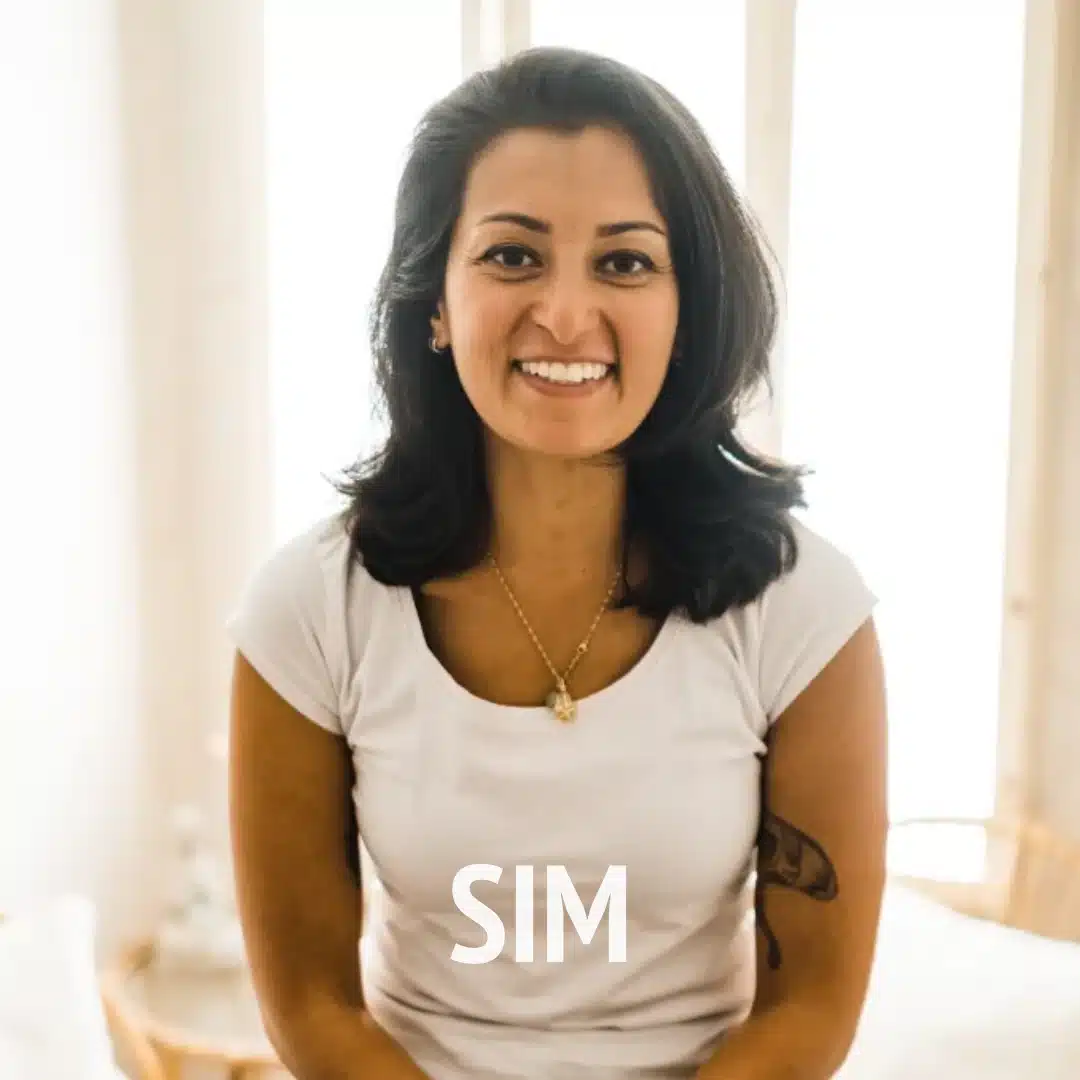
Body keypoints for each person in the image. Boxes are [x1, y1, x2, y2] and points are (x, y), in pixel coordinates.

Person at [227, 46, 888, 1080]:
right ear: (434, 301)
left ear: (688, 309)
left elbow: (810, 1012)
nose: (567, 316)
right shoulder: (308, 609)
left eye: (625, 263)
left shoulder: (802, 606)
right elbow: (311, 1005)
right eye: (511, 256)